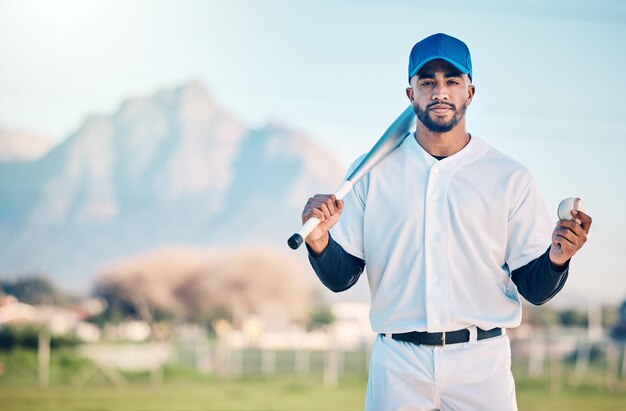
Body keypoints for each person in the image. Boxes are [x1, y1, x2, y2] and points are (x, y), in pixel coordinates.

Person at [301, 33, 592, 411]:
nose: (440, 91)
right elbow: (342, 278)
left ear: (470, 93)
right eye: (428, 82)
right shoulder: (368, 172)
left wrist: (557, 257)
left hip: (481, 363)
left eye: (452, 81)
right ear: (411, 95)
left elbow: (534, 289)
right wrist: (320, 242)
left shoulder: (509, 176)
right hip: (398, 363)